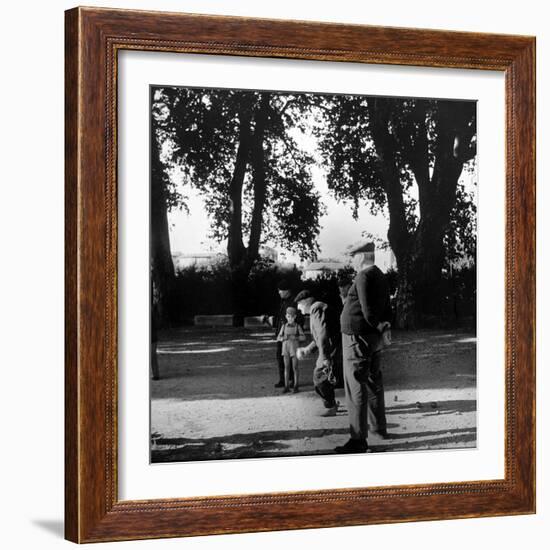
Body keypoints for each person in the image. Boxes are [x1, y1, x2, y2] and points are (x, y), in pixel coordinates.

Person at [335, 241, 391, 454]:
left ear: (361, 257)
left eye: (353, 257)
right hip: (372, 337)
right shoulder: (380, 275)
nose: (352, 260)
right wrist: (384, 328)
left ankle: (358, 439)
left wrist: (377, 324)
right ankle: (379, 428)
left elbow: (368, 311)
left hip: (356, 337)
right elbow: (386, 307)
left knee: (355, 385)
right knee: (373, 380)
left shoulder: (362, 276)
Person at [295, 290, 340, 416]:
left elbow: (322, 334)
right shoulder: (318, 307)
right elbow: (319, 337)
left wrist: (325, 357)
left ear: (306, 301)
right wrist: (307, 349)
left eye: (299, 304)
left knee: (319, 377)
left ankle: (330, 406)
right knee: (324, 377)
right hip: (333, 348)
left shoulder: (315, 308)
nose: (298, 308)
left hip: (331, 349)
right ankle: (332, 404)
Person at [273, 280, 301, 388]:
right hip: (283, 334)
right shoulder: (285, 301)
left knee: (289, 356)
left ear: (287, 291)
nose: (279, 292)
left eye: (281, 291)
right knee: (281, 356)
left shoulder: (292, 302)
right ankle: (284, 379)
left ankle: (290, 380)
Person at [277, 306, 306, 393]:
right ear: (286, 316)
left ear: (295, 317)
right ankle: (286, 387)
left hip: (295, 349)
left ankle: (296, 386)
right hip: (285, 349)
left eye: (292, 317)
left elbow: (303, 337)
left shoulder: (297, 326)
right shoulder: (284, 326)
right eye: (288, 317)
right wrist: (283, 337)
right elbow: (278, 337)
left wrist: (296, 337)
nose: (290, 319)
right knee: (286, 367)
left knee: (295, 367)